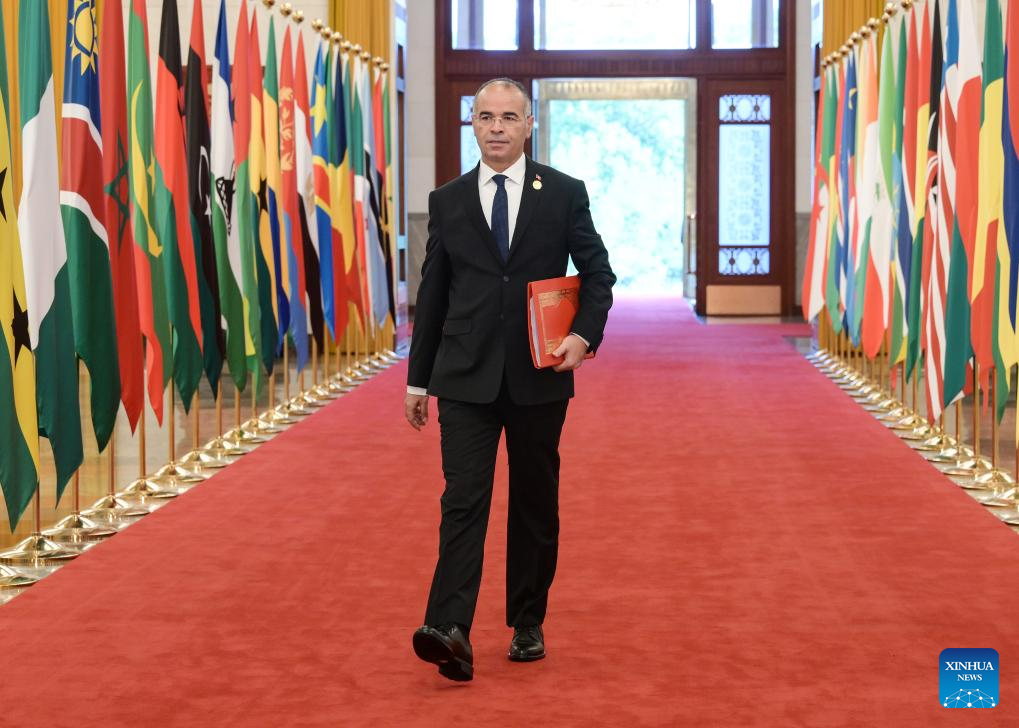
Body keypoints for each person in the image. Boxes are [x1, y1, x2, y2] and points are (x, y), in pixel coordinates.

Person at [405, 77, 615, 682]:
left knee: (533, 501)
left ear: (529, 125)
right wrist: (417, 381)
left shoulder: (563, 193)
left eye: (508, 117)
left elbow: (598, 274)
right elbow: (433, 294)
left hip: (538, 376)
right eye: (486, 117)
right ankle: (449, 629)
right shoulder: (448, 200)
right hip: (463, 377)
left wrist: (583, 336)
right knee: (462, 501)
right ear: (473, 124)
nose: (496, 127)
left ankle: (527, 620)